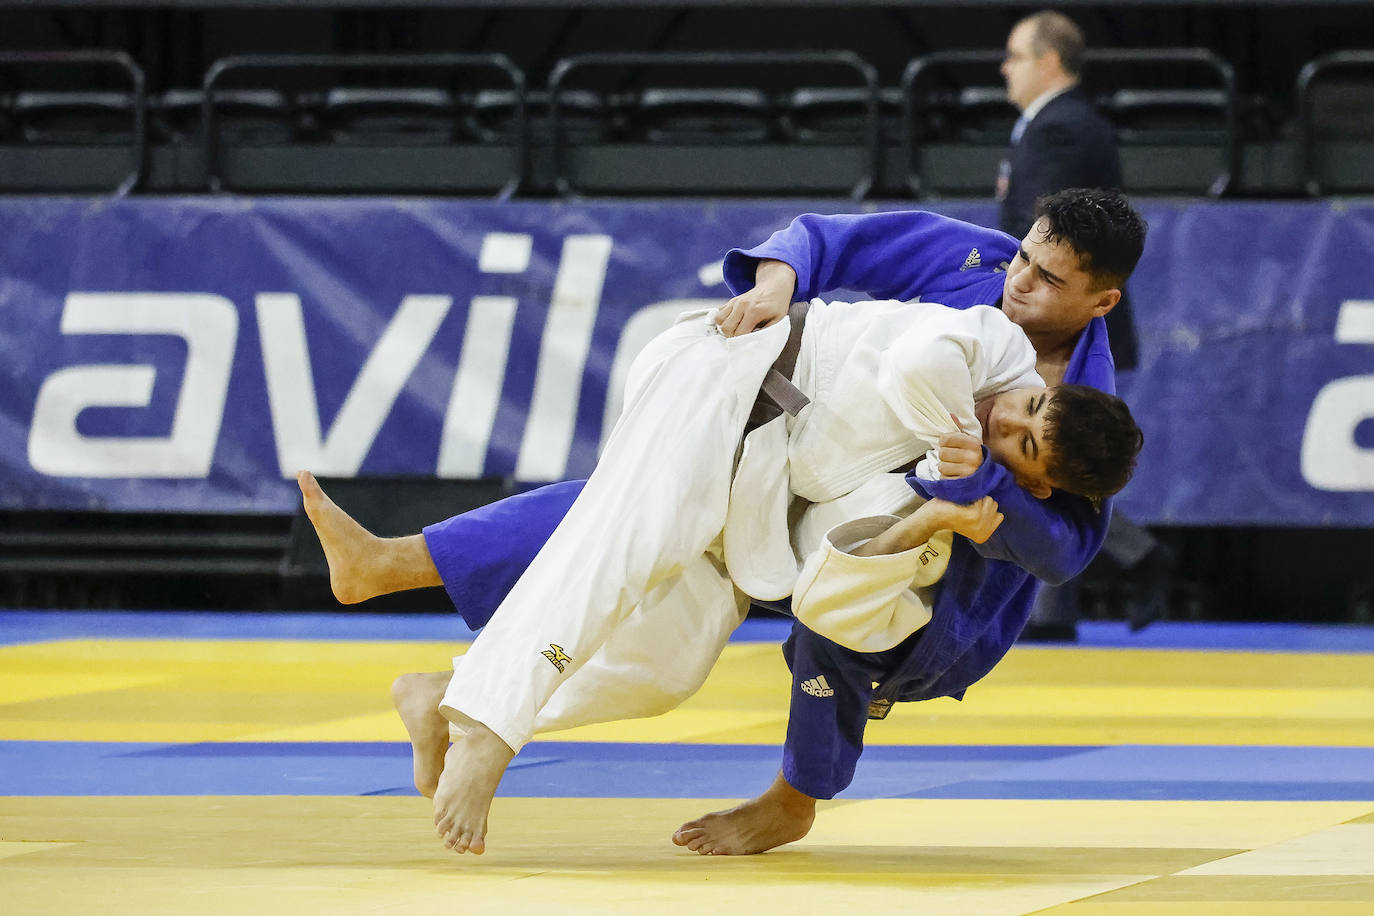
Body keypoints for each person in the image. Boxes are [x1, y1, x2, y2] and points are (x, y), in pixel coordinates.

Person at [299, 286, 1141, 856]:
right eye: (1029, 409)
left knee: (669, 667)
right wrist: (963, 447)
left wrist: (930, 512)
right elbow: (917, 368)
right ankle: (491, 728)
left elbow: (829, 603)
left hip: (751, 496)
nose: (1006, 422)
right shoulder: (990, 349)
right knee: (629, 536)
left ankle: (444, 697)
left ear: (1033, 481)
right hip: (727, 375)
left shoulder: (944, 494)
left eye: (1021, 444)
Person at [670, 188, 1147, 855]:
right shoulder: (981, 263)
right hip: (810, 473)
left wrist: (985, 488)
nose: (1020, 279)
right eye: (1026, 257)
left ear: (1102, 302)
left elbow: (1067, 550)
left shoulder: (1082, 403)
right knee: (617, 518)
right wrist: (776, 285)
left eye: (1049, 280)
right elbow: (828, 237)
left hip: (937, 586)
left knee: (838, 607)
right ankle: (473, 633)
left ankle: (794, 797)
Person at [996, 10, 1171, 640]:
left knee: (1050, 444)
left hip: (1055, 322)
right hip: (1057, 316)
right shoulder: (1059, 125)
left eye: (1015, 56)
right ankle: (1056, 609)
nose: (1004, 69)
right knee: (1048, 445)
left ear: (1049, 61)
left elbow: (1053, 242)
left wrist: (1017, 299)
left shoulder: (1060, 130)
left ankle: (1131, 559)